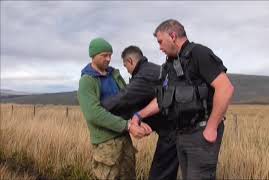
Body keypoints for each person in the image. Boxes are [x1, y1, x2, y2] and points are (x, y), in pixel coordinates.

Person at [131, 19, 234, 179]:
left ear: (172, 36)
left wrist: (212, 127)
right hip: (181, 135)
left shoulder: (199, 53)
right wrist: (139, 115)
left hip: (201, 134)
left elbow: (225, 88)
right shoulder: (169, 65)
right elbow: (162, 100)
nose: (159, 47)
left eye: (160, 41)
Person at [101, 45, 179, 180]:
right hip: (175, 129)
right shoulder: (152, 69)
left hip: (173, 132)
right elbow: (144, 102)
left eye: (126, 66)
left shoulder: (144, 75)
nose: (128, 71)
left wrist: (98, 107)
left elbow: (125, 97)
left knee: (159, 175)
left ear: (130, 61)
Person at [77, 37, 148, 180]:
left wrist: (137, 119)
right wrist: (127, 125)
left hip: (124, 137)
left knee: (129, 176)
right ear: (93, 55)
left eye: (110, 55)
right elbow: (94, 114)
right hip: (106, 144)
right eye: (104, 55)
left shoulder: (114, 75)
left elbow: (127, 99)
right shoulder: (87, 81)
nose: (108, 59)